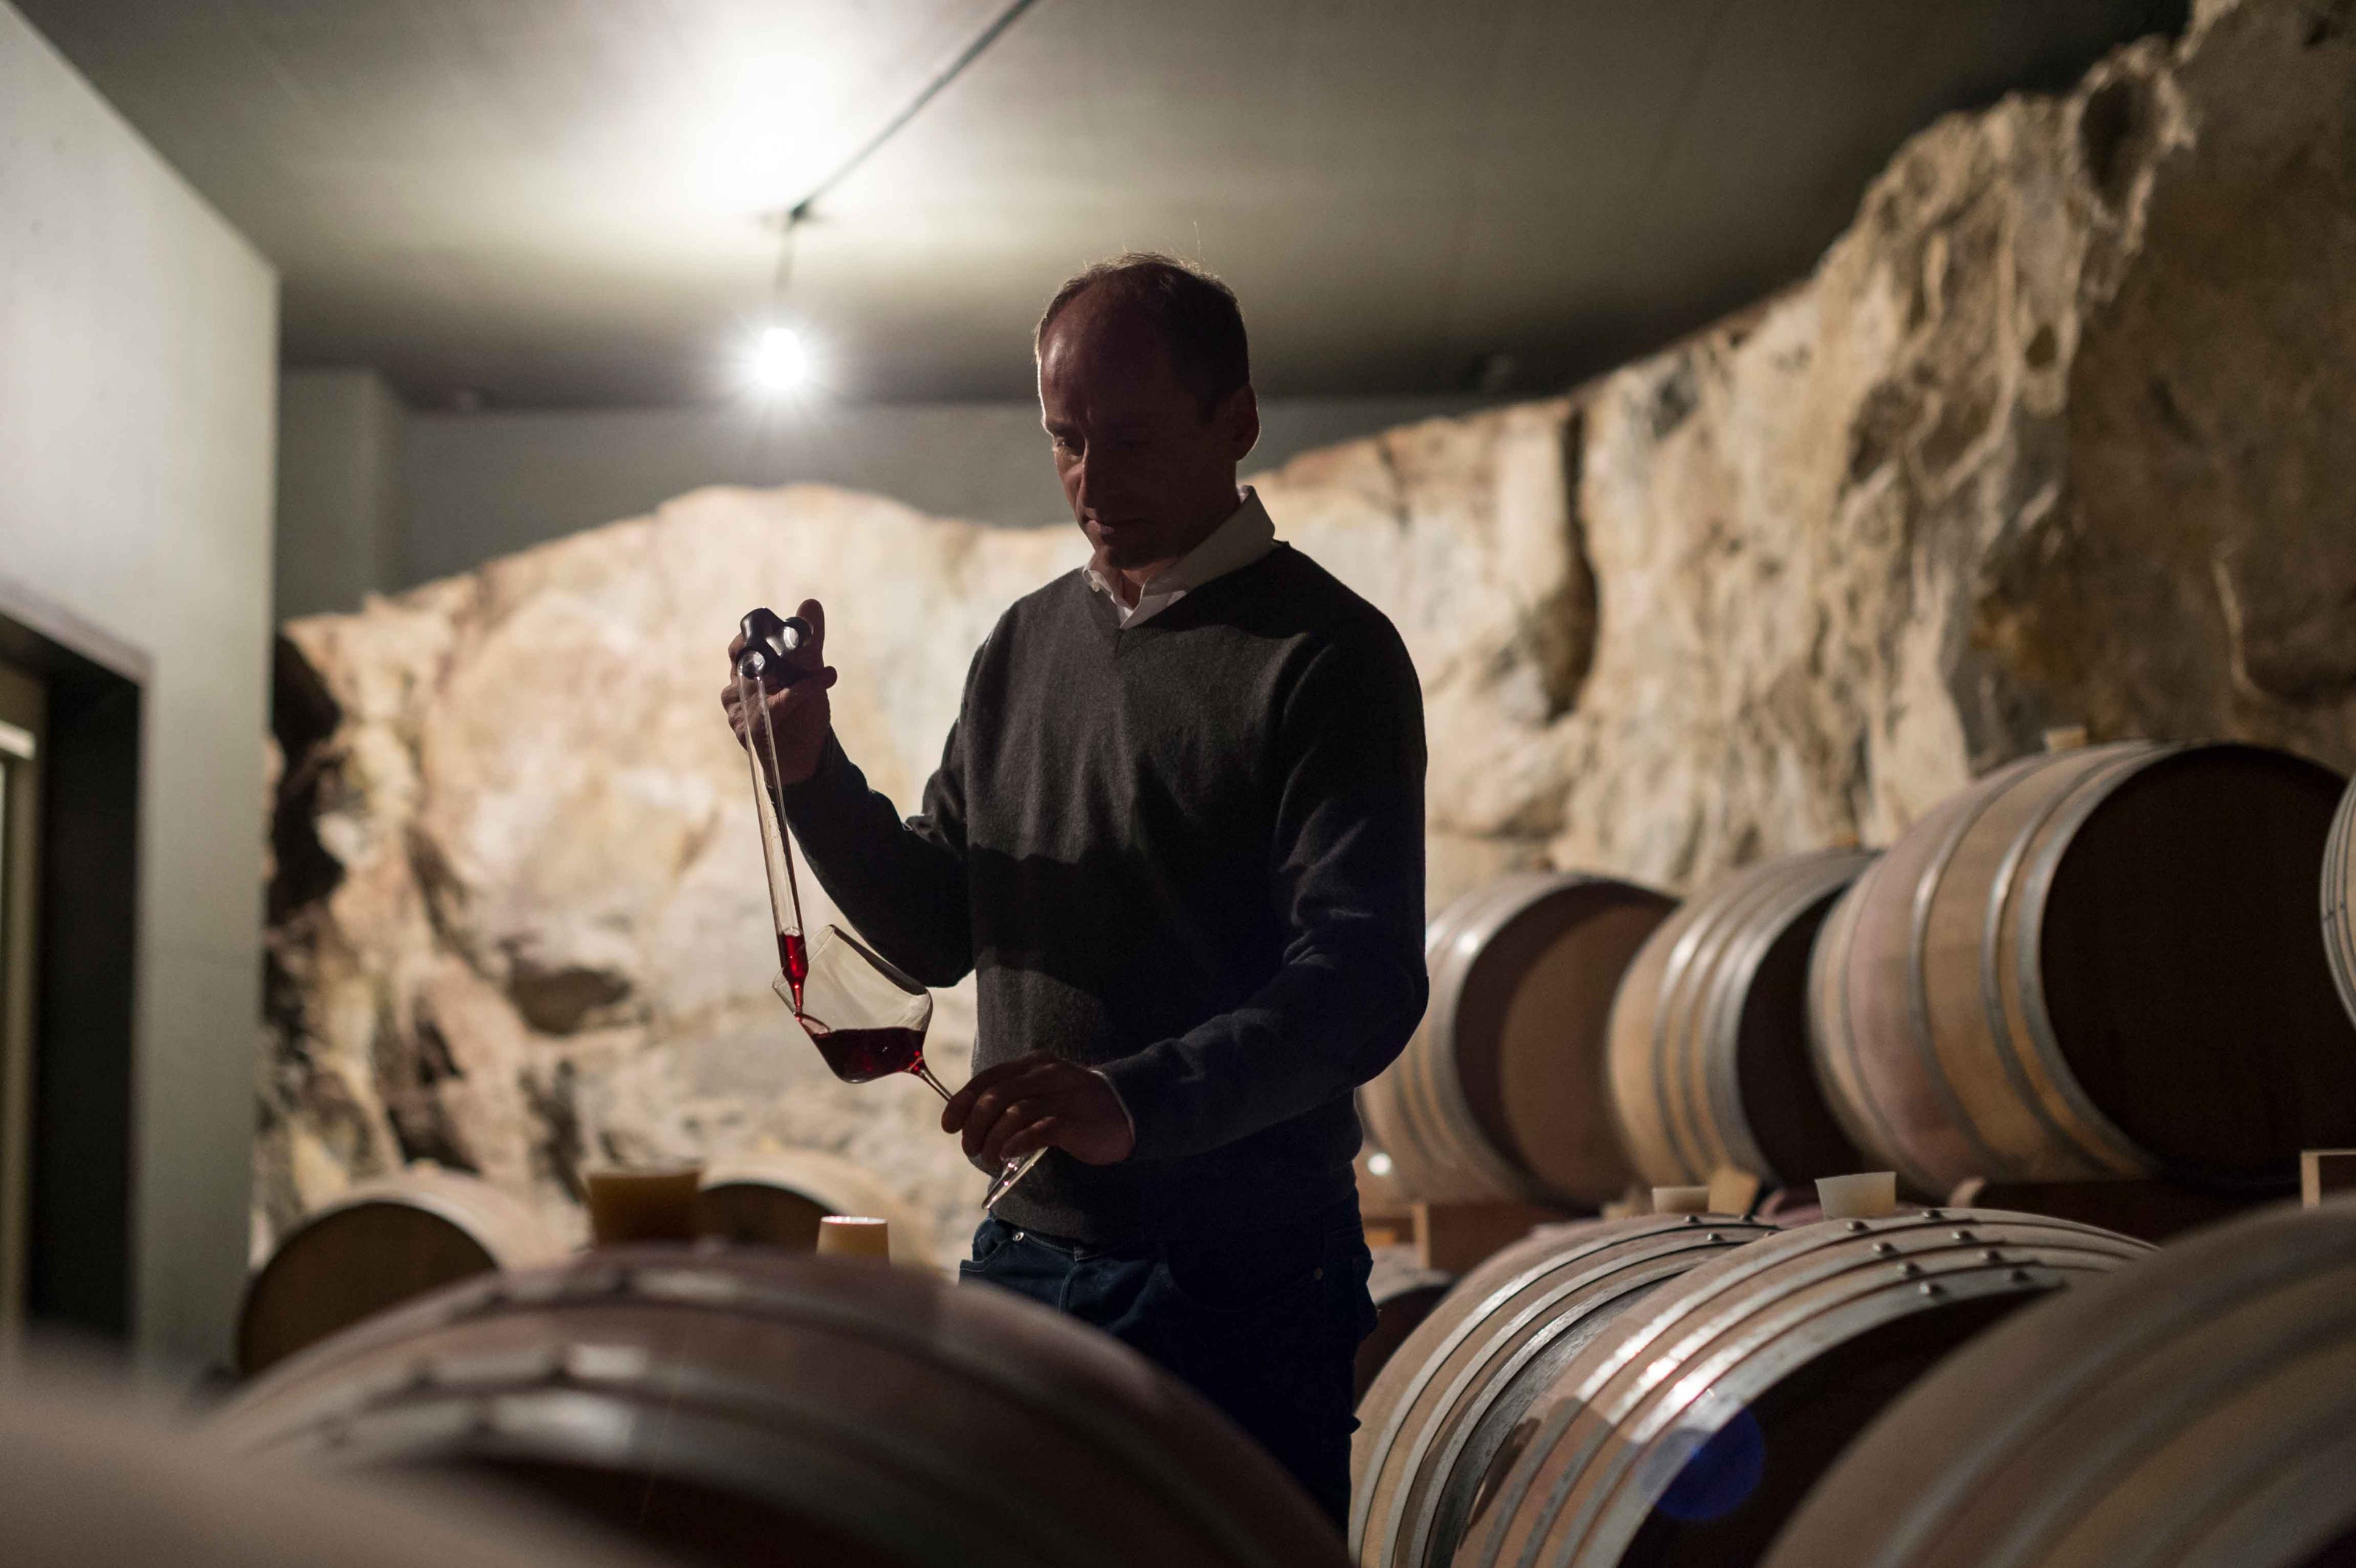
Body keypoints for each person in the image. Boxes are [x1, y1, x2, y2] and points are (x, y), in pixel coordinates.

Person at [722, 252, 1426, 1525]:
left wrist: (1133, 1100)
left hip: (1244, 1283)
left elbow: (1364, 979)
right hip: (1030, 1255)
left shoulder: (1329, 656)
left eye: (1133, 438)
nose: (1092, 484)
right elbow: (940, 924)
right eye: (1065, 440)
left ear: (1239, 421)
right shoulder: (1026, 646)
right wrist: (811, 773)